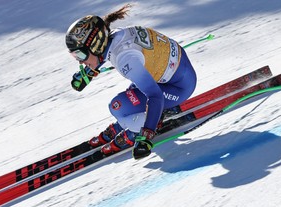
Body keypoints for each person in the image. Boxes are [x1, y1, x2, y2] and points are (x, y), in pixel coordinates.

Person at [65, 4, 197, 159]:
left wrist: (146, 136)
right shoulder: (116, 36)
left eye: (80, 55)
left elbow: (155, 96)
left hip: (177, 87)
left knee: (118, 107)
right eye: (75, 56)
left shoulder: (125, 59)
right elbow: (109, 51)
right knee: (128, 98)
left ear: (95, 45)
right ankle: (146, 116)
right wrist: (89, 72)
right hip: (174, 72)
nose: (80, 62)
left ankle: (146, 124)